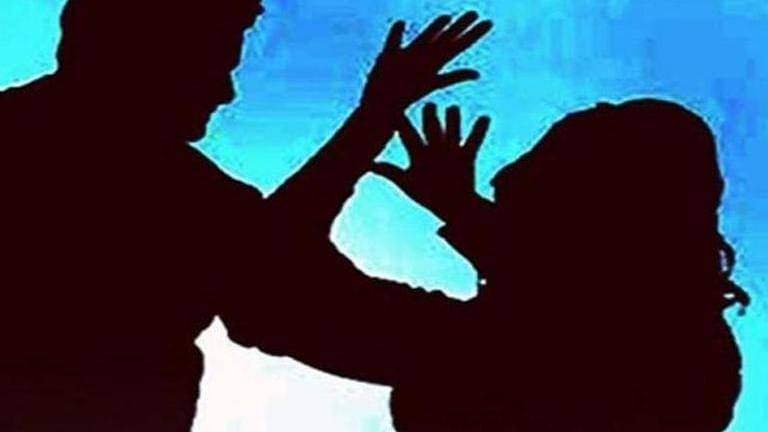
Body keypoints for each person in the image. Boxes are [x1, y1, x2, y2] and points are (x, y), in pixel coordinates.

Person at [0, 0, 492, 429]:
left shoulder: (192, 199)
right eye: (209, 64)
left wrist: (374, 123)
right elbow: (298, 302)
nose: (225, 92)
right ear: (136, 49)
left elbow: (282, 285)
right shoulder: (188, 203)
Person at [268, 99, 748, 431]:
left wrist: (370, 122)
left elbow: (280, 300)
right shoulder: (688, 350)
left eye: (540, 167)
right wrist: (464, 211)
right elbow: (566, 281)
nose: (502, 176)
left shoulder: (501, 345)